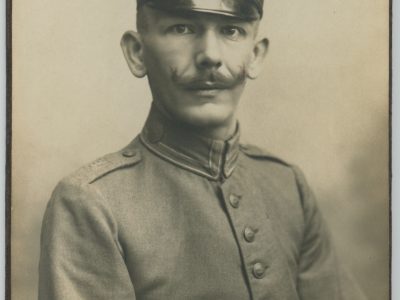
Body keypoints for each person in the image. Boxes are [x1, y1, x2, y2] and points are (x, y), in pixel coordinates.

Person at [38, 1, 367, 299]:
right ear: (137, 53)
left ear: (255, 55)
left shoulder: (287, 185)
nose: (210, 55)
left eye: (231, 30)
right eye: (182, 28)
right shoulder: (91, 203)